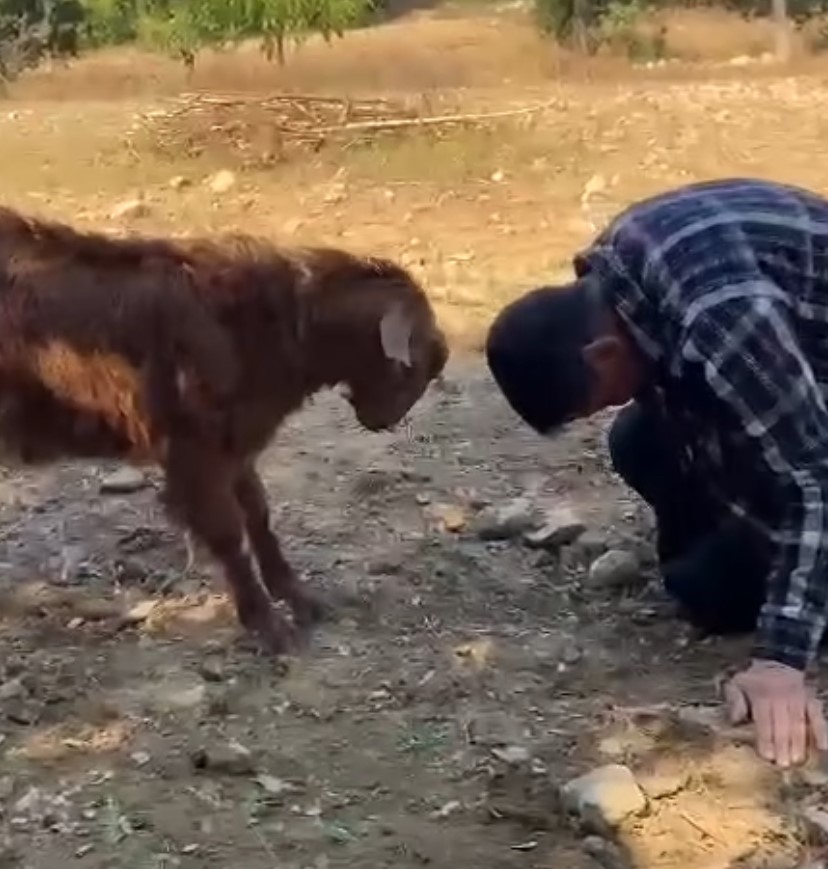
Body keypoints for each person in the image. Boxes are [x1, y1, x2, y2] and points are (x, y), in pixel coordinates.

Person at [485, 177, 828, 768]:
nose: (607, 407)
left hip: (808, 401)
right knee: (639, 439)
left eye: (594, 400)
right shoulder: (615, 269)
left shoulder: (723, 315)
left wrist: (780, 660)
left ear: (600, 355)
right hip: (796, 358)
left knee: (712, 591)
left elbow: (816, 474)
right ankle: (743, 555)